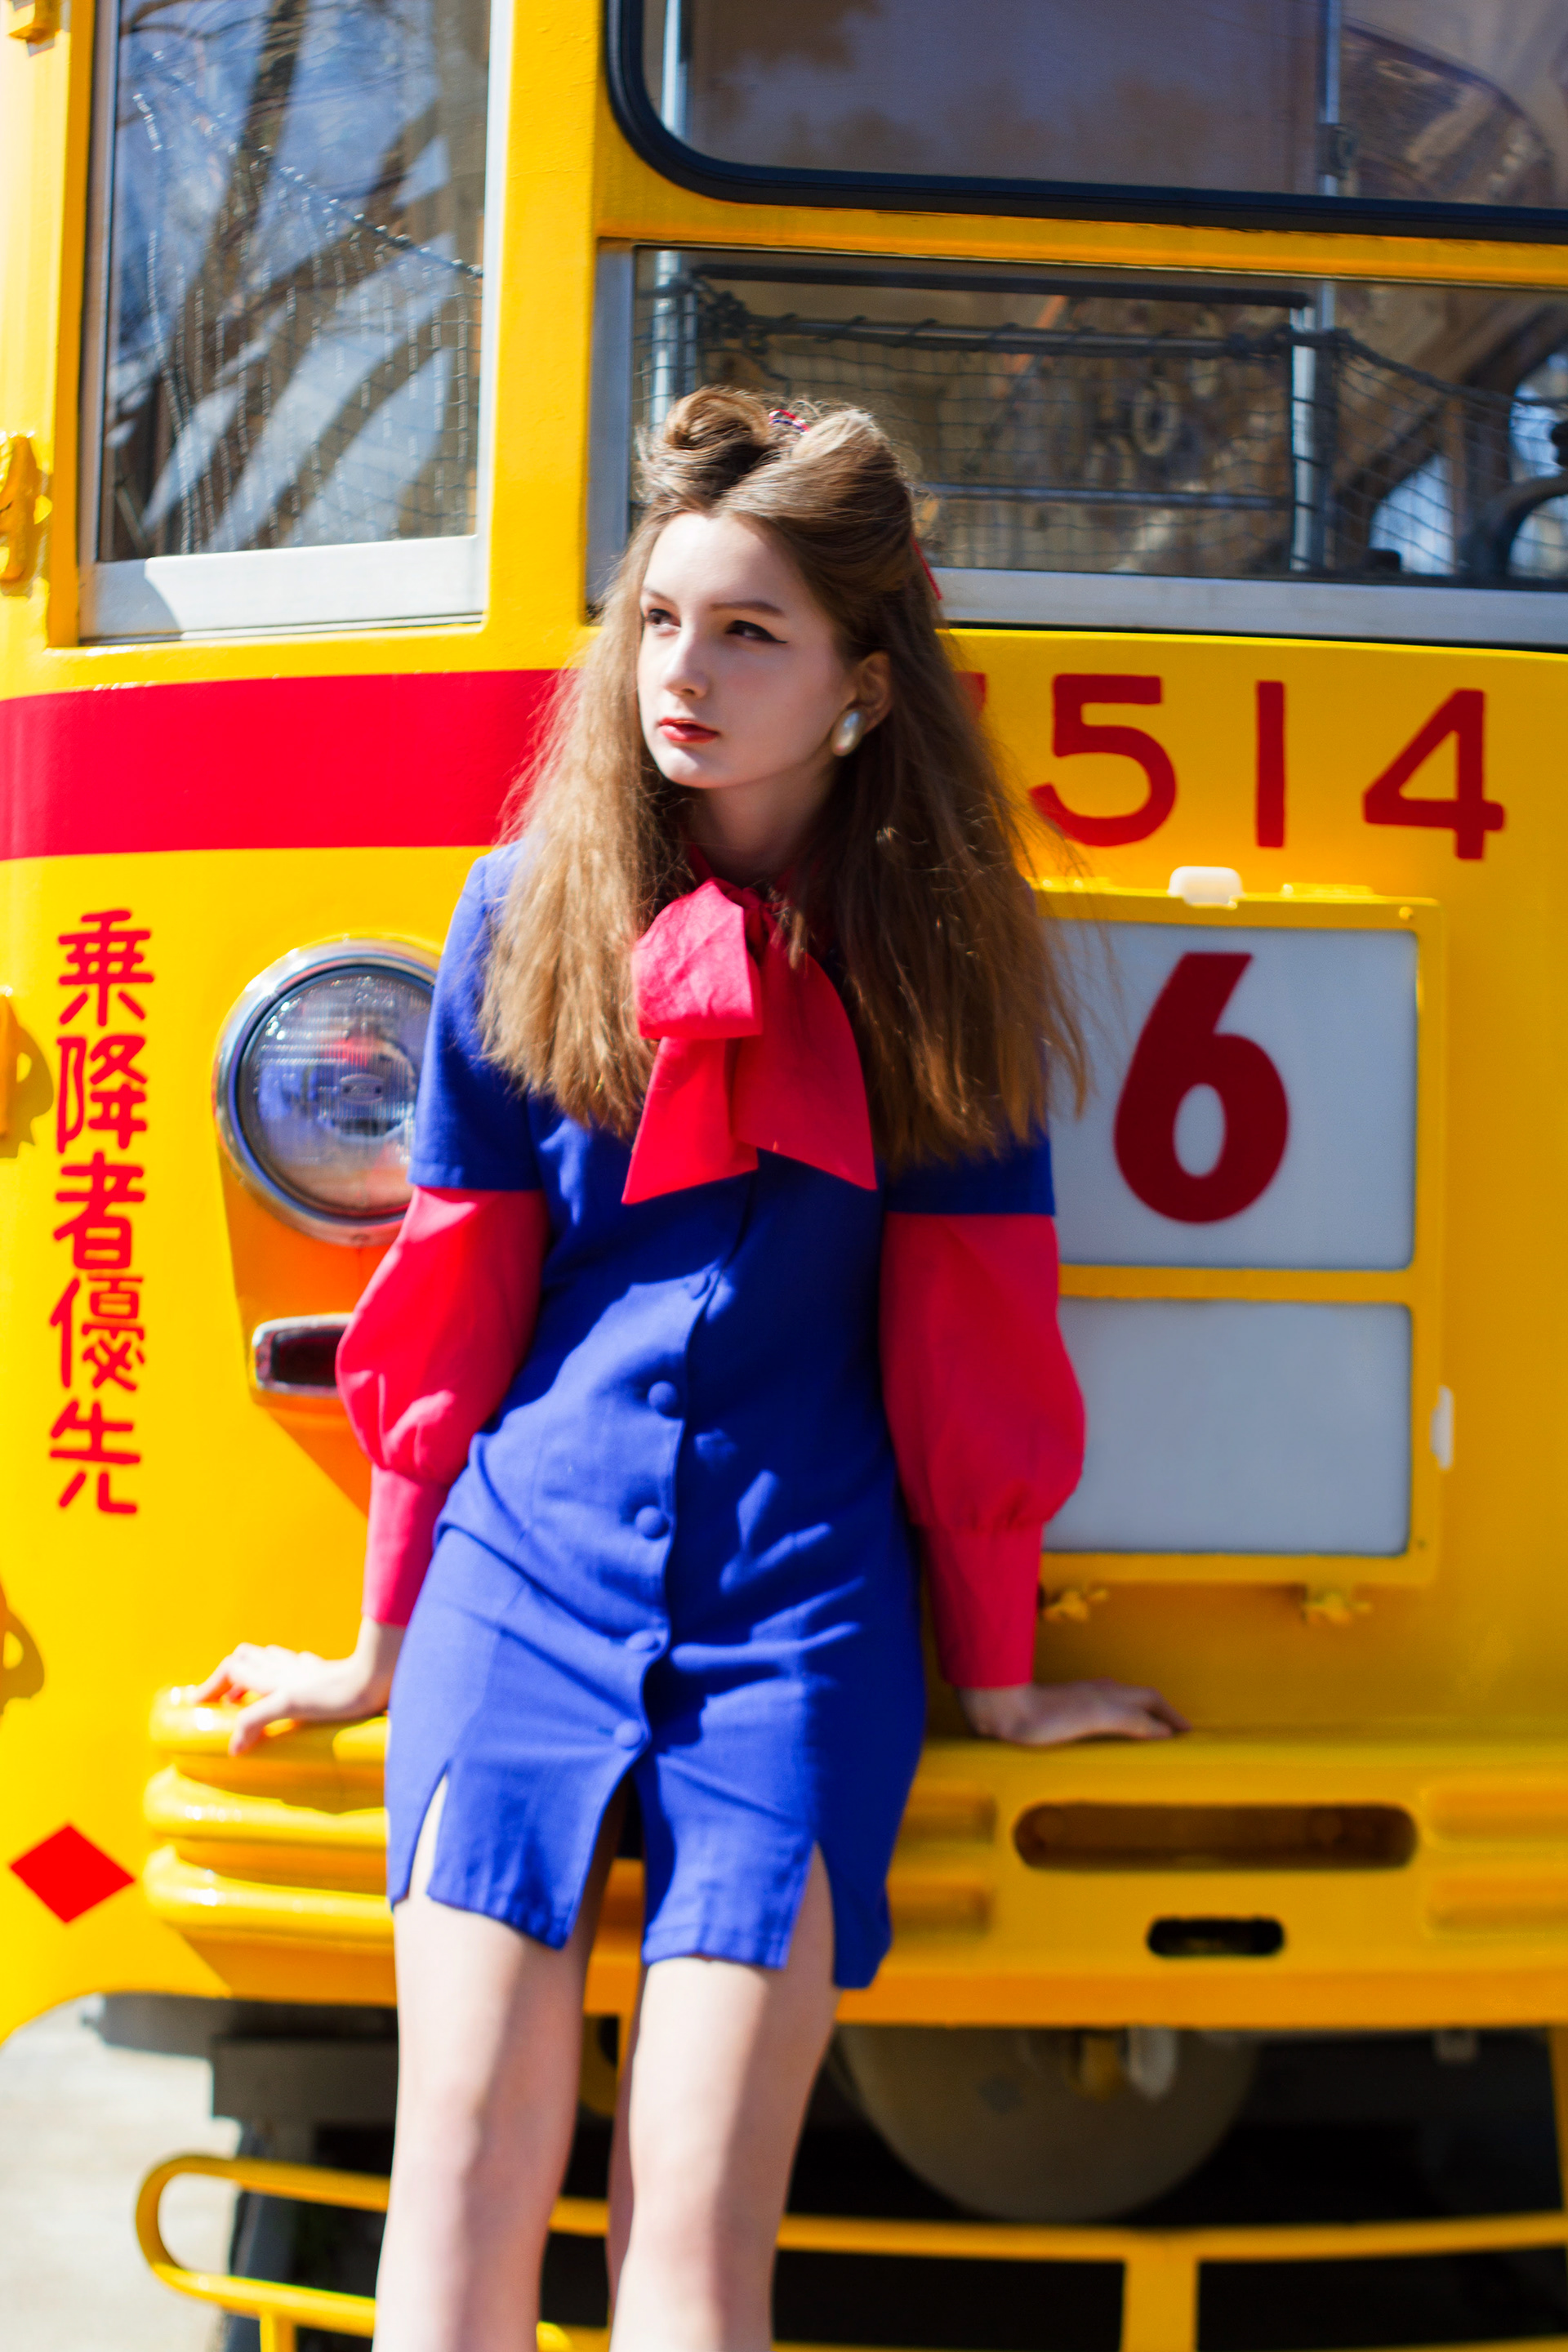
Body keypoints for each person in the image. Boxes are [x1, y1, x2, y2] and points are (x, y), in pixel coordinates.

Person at [190, 388, 1187, 2352]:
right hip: (520, 1581)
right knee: (462, 2177)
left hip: (801, 1616)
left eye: (748, 633)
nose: (684, 674)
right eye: (659, 619)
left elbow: (974, 1337)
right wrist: (376, 1644)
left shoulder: (935, 953)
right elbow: (455, 1296)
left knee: (702, 2226)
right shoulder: (524, 901)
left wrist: (999, 1674)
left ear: (863, 687)